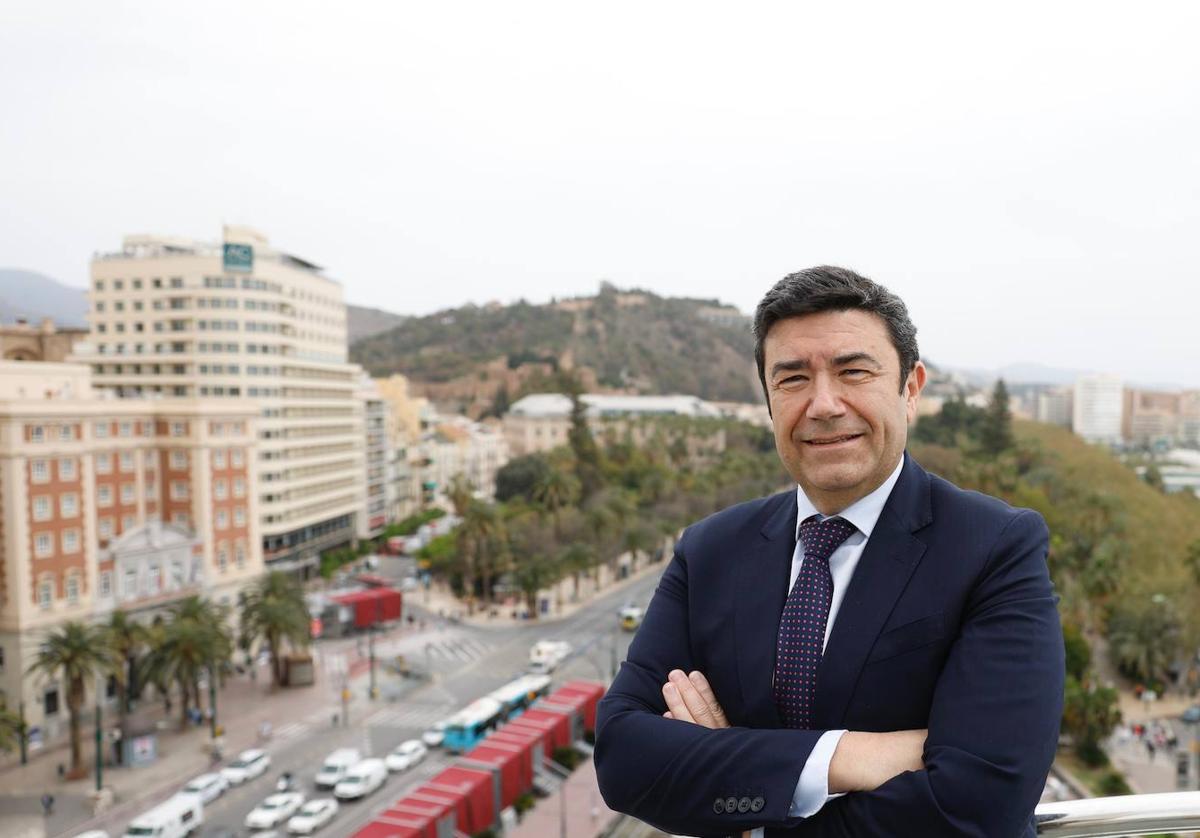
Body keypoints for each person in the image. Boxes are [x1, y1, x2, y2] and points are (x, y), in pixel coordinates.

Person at [595, 267, 1064, 837]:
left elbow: (982, 800)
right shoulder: (711, 550)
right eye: (792, 379)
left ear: (910, 388)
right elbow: (623, 758)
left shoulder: (993, 546)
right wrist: (851, 757)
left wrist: (749, 799)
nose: (823, 404)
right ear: (769, 399)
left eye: (854, 371)